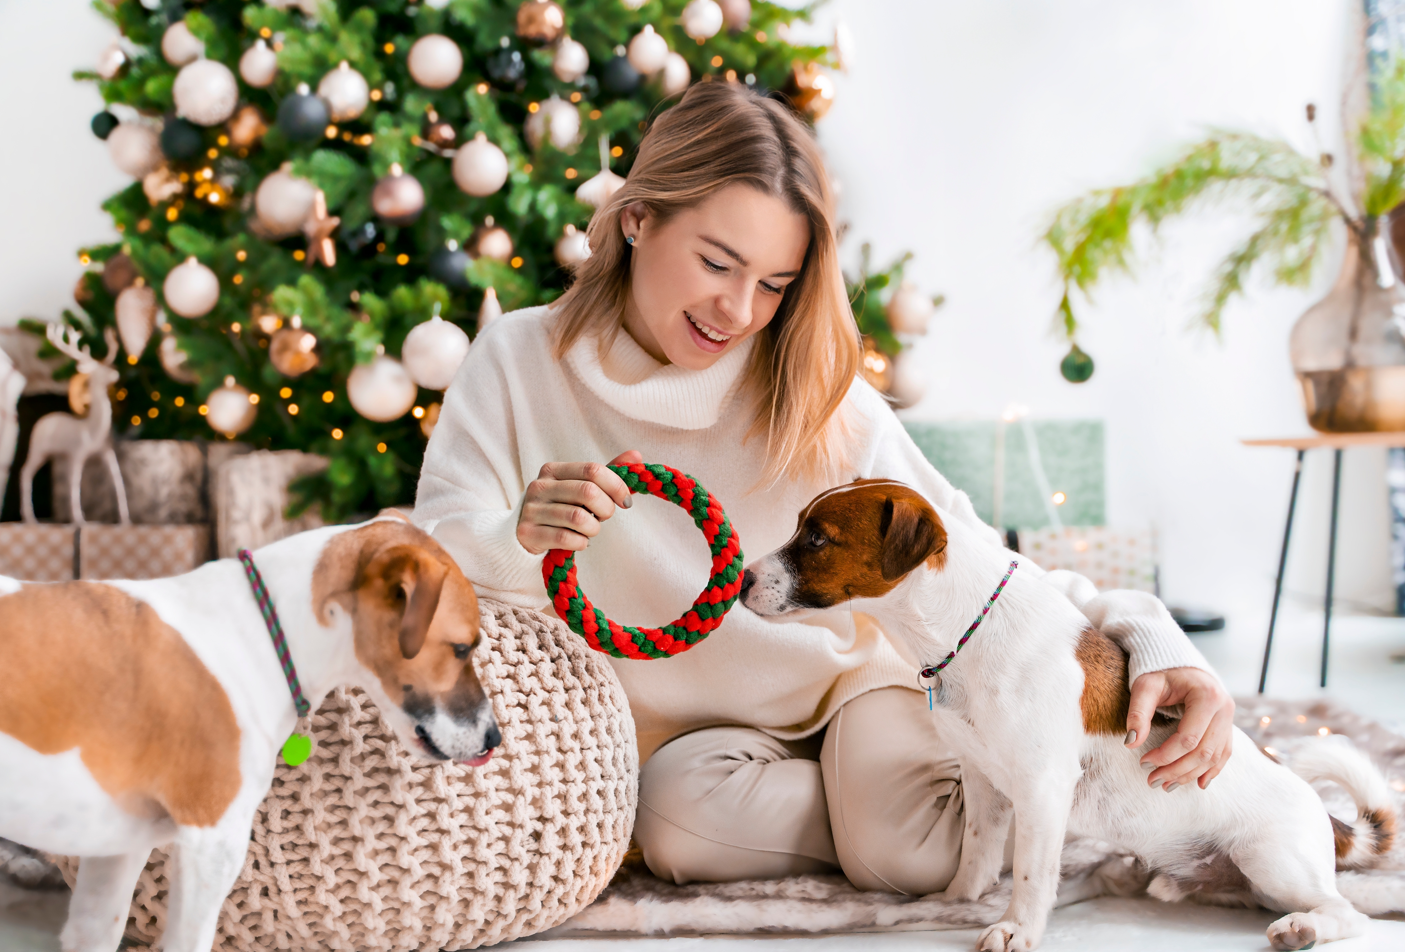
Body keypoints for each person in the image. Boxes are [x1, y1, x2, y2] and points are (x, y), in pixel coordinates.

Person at [413, 81, 1234, 893]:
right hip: (695, 741)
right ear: (637, 218)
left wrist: (1145, 633)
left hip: (856, 689)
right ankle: (956, 799)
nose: (736, 310)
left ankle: (1084, 806)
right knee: (673, 827)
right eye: (715, 262)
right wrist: (517, 539)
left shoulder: (811, 387)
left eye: (773, 283)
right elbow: (435, 551)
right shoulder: (517, 360)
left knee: (902, 855)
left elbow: (964, 547)